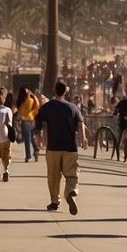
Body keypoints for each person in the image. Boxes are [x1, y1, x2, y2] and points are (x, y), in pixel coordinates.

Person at [35, 80, 87, 214]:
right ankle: (71, 192)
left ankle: (54, 201)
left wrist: (39, 139)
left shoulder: (47, 107)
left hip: (53, 147)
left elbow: (39, 121)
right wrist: (83, 139)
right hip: (70, 147)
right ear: (65, 92)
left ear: (54, 91)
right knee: (72, 174)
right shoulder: (72, 107)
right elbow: (80, 123)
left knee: (53, 176)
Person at [14, 86, 40, 162]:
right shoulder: (31, 100)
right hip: (32, 119)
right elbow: (37, 105)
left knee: (27, 139)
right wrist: (33, 95)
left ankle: (28, 155)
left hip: (24, 121)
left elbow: (20, 111)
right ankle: (35, 150)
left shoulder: (20, 101)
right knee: (31, 137)